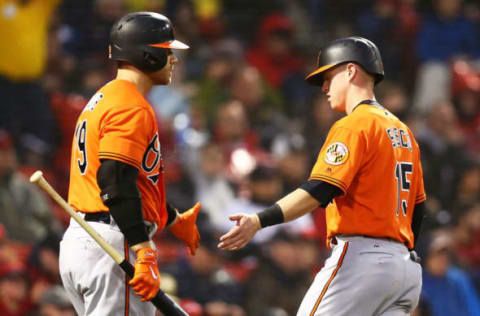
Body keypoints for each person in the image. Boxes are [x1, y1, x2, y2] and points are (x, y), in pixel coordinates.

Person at [218, 36, 427, 315]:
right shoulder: (404, 132)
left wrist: (259, 220)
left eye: (329, 76)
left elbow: (320, 189)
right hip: (405, 270)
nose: (325, 87)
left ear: (351, 70)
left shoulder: (354, 125)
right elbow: (419, 208)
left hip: (362, 261)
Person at [59, 12, 201, 316]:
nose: (173, 59)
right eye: (167, 50)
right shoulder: (131, 106)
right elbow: (114, 182)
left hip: (87, 238)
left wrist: (171, 218)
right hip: (112, 243)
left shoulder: (104, 96)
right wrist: (144, 249)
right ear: (148, 55)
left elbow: (125, 180)